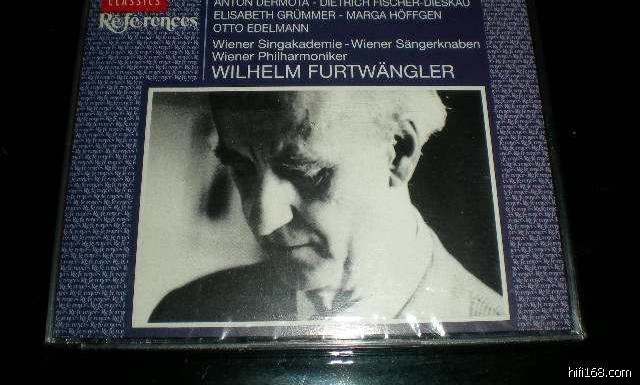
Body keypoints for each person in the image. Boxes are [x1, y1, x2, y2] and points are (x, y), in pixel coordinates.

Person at [149, 89, 505, 324]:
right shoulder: (185, 315)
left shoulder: (506, 346)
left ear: (398, 151)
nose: (262, 222)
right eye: (241, 168)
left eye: (305, 171)